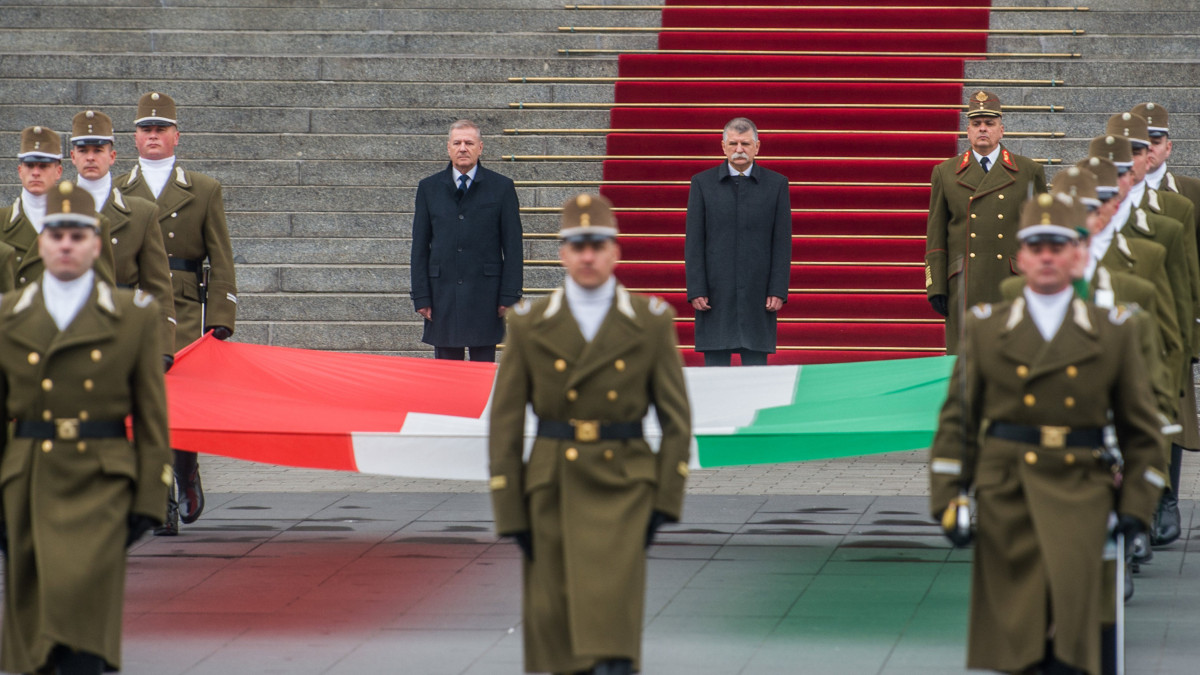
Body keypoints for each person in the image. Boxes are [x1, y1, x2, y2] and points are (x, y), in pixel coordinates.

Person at [930, 192, 1166, 675]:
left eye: (1057, 245)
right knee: (1016, 644)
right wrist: (949, 498)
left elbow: (1142, 431)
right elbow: (960, 421)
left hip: (1081, 494)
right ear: (1019, 257)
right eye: (1035, 245)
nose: (1045, 256)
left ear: (1077, 254)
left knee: (1072, 644)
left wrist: (1137, 508)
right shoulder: (987, 328)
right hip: (1007, 495)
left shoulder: (1113, 330)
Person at [489, 194, 691, 675]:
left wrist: (663, 502)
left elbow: (677, 421)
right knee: (555, 636)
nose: (587, 255)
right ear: (561, 253)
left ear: (615, 252)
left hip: (623, 488)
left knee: (612, 639)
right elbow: (506, 424)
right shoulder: (529, 325)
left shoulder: (650, 323)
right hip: (552, 487)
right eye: (576, 244)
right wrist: (509, 510)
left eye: (597, 244)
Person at [0, 182, 171, 675]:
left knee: (84, 632)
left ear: (96, 242)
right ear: (41, 243)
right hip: (29, 478)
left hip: (100, 481)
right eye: (56, 234)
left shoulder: (133, 317)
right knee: (33, 635)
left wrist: (149, 498)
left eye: (78, 233)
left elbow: (152, 416)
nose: (67, 243)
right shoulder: (10, 316)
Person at [115, 91, 238, 534]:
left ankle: (185, 470)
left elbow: (220, 256)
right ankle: (159, 497)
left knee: (179, 402)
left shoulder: (203, 189)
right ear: (134, 138)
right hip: (133, 303)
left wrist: (221, 314)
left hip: (183, 303)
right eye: (145, 129)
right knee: (143, 402)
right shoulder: (116, 191)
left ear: (176, 136)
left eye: (161, 129)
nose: (153, 136)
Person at [924, 90, 1048, 353]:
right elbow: (936, 234)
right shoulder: (945, 173)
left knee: (1013, 357)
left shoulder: (1028, 171)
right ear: (967, 131)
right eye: (976, 124)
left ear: (1001, 130)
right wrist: (936, 285)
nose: (983, 129)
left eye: (989, 124)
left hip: (1013, 280)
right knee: (965, 365)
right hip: (963, 283)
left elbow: (1042, 233)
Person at [1132, 101, 1200, 546]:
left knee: (1173, 412)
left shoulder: (1189, 193)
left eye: (1156, 141)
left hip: (1171, 321)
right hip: (1123, 321)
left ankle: (1169, 501)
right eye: (1141, 143)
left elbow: (1194, 268)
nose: (1150, 150)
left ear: (1168, 146)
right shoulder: (1107, 189)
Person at [69, 109, 176, 369]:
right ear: (72, 157)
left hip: (121, 325)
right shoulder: (53, 209)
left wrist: (162, 346)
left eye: (99, 150)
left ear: (112, 156)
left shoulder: (141, 213)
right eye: (83, 151)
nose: (91, 157)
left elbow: (157, 284)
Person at [410, 119, 523, 362]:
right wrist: (421, 295)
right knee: (446, 377)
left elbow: (513, 247)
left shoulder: (501, 187)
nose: (463, 148)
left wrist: (509, 295)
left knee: (482, 373)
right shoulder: (428, 188)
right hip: (443, 295)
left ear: (480, 147)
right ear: (448, 148)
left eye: (469, 142)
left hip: (486, 295)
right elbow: (419, 246)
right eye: (457, 143)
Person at [684, 117, 791, 366]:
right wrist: (696, 289)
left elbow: (782, 242)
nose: (739, 149)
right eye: (733, 143)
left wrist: (778, 289)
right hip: (714, 293)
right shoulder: (702, 184)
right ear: (723, 147)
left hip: (758, 292)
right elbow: (694, 241)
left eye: (745, 143)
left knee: (756, 371)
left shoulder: (776, 185)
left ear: (757, 146)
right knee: (715, 371)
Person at [1, 125, 116, 289]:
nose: (35, 172)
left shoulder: (93, 222)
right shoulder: (2, 221)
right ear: (20, 171)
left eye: (43, 166)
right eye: (30, 165)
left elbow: (105, 290)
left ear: (58, 171)